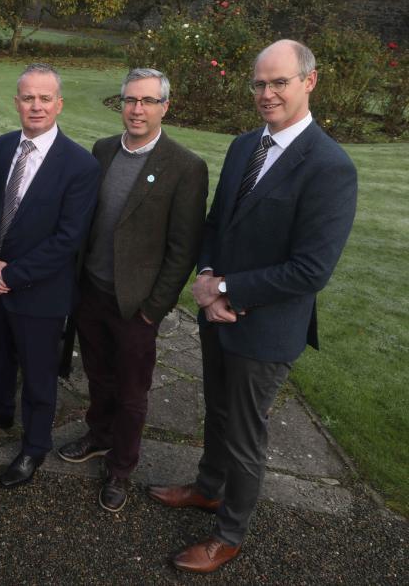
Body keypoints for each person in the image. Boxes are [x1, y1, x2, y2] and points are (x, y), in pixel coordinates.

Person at [147, 40, 358, 573]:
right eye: (259, 84)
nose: (266, 94)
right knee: (216, 413)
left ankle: (230, 533)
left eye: (279, 82)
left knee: (244, 434)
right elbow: (218, 222)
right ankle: (208, 488)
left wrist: (226, 292)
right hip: (220, 314)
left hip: (266, 330)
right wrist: (209, 277)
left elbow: (311, 270)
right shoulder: (246, 145)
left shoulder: (330, 166)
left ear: (309, 82)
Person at [55, 68, 207, 511]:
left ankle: (121, 467)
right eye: (130, 100)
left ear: (165, 107)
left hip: (136, 304)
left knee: (132, 391)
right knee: (98, 375)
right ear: (120, 104)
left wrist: (153, 309)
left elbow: (184, 249)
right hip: (92, 291)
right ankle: (99, 436)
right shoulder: (102, 151)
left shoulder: (185, 166)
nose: (137, 109)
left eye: (147, 101)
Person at [0, 63, 100, 488]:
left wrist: (13, 274)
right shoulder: (3, 147)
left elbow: (68, 238)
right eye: (28, 97)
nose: (36, 105)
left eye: (45, 98)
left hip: (40, 291)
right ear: (17, 102)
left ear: (59, 104)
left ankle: (34, 447)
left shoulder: (80, 164)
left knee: (40, 374)